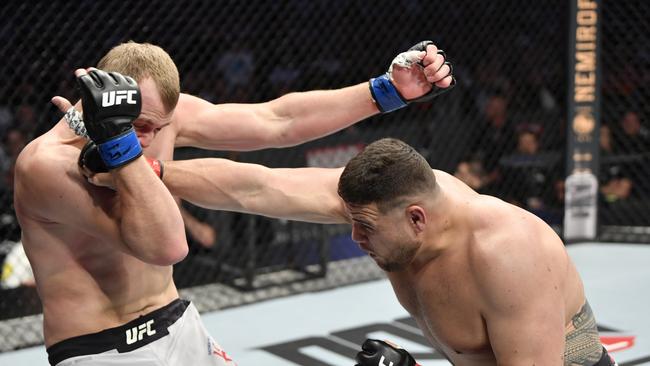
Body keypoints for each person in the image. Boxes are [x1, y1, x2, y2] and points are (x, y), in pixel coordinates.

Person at [25, 39, 454, 365]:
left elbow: (276, 121)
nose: (148, 139)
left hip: (177, 322)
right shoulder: (47, 165)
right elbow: (166, 247)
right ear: (106, 99)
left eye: (160, 127)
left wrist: (385, 91)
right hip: (102, 349)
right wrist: (120, 145)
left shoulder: (153, 121)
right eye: (136, 126)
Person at [86, 138, 615, 365]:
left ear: (416, 218)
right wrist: (139, 168)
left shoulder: (508, 254)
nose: (355, 240)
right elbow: (255, 187)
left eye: (363, 229)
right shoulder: (382, 205)